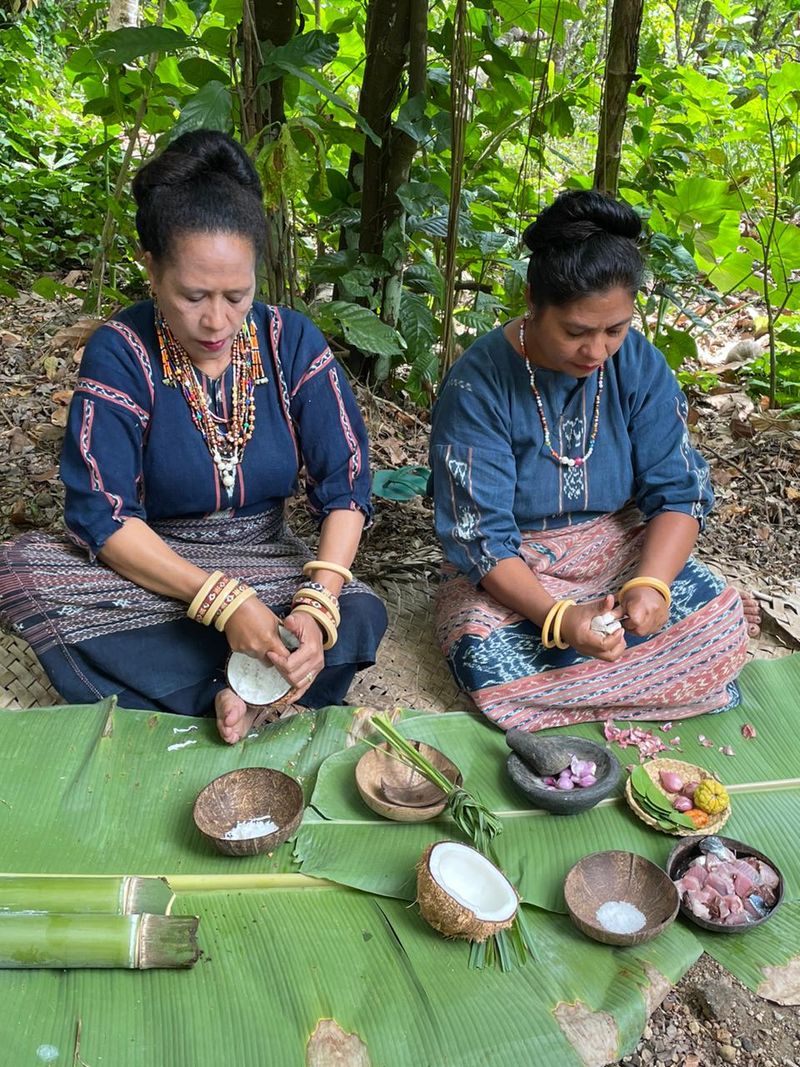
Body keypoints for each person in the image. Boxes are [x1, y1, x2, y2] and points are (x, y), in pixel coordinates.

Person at [0, 129, 387, 743]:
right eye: (193, 295)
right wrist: (224, 604)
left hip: (265, 553)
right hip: (152, 562)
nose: (217, 321)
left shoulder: (290, 342)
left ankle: (232, 688)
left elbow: (347, 489)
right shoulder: (122, 352)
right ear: (151, 268)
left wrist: (317, 602)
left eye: (238, 295)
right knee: (22, 569)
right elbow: (101, 516)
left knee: (359, 611)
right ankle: (245, 692)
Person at [429, 189, 758, 733]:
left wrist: (650, 585)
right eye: (577, 332)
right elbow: (480, 538)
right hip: (517, 570)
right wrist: (557, 617)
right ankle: (648, 682)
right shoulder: (477, 385)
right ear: (534, 300)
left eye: (615, 329)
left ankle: (572, 692)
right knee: (485, 657)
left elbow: (677, 491)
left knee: (718, 625)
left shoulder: (637, 362)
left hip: (616, 548)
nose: (597, 351)